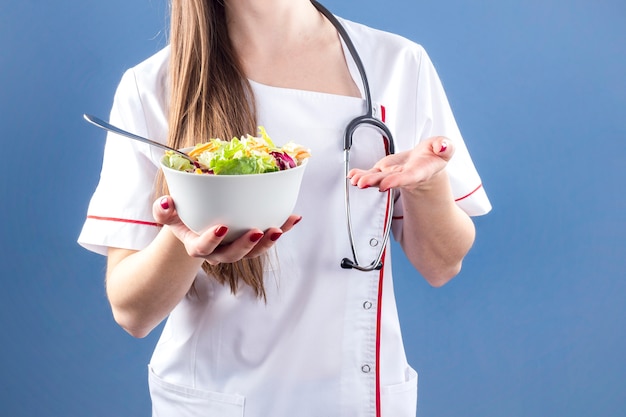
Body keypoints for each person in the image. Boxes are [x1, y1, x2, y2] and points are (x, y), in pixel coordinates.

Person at [78, 0, 491, 416]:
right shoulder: (154, 86)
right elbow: (132, 311)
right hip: (216, 397)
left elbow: (442, 265)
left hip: (355, 396)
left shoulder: (399, 65)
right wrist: (187, 236)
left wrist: (428, 185)